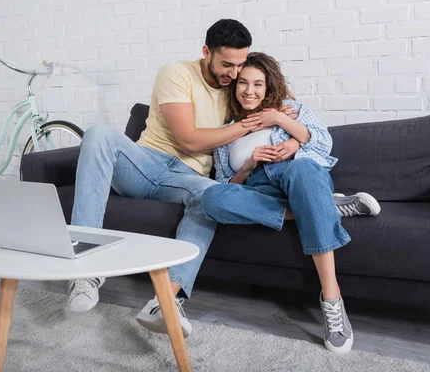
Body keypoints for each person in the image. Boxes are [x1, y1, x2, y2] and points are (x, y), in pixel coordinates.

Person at [67, 19, 302, 339]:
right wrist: (250, 125)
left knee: (212, 196)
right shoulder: (175, 73)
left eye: (239, 65)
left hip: (189, 179)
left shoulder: (238, 85)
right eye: (226, 64)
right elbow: (189, 140)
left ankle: (167, 302)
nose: (233, 74)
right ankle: (85, 273)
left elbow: (276, 100)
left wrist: (292, 134)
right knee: (99, 134)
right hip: (144, 164)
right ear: (206, 52)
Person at [201, 52, 380, 354]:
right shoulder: (229, 128)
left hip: (299, 176)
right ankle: (323, 207)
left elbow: (323, 143)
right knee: (210, 198)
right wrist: (247, 166)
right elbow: (226, 187)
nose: (249, 90)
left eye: (258, 84)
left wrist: (281, 124)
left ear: (268, 85)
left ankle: (332, 298)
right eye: (243, 83)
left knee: (301, 167)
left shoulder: (290, 109)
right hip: (259, 192)